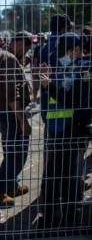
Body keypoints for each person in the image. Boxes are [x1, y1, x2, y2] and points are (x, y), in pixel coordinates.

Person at [35, 33, 91, 228]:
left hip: (73, 132)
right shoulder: (61, 67)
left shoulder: (84, 70)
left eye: (64, 51)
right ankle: (49, 217)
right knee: (52, 178)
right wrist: (48, 81)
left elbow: (73, 100)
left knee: (70, 179)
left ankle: (71, 219)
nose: (61, 55)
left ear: (76, 50)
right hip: (55, 132)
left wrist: (48, 85)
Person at [0, 31, 32, 206]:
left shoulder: (1, 55)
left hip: (3, 113)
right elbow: (12, 95)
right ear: (20, 43)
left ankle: (11, 185)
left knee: (11, 151)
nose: (28, 51)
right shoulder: (9, 60)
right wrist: (23, 121)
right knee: (17, 154)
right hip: (11, 115)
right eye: (27, 47)